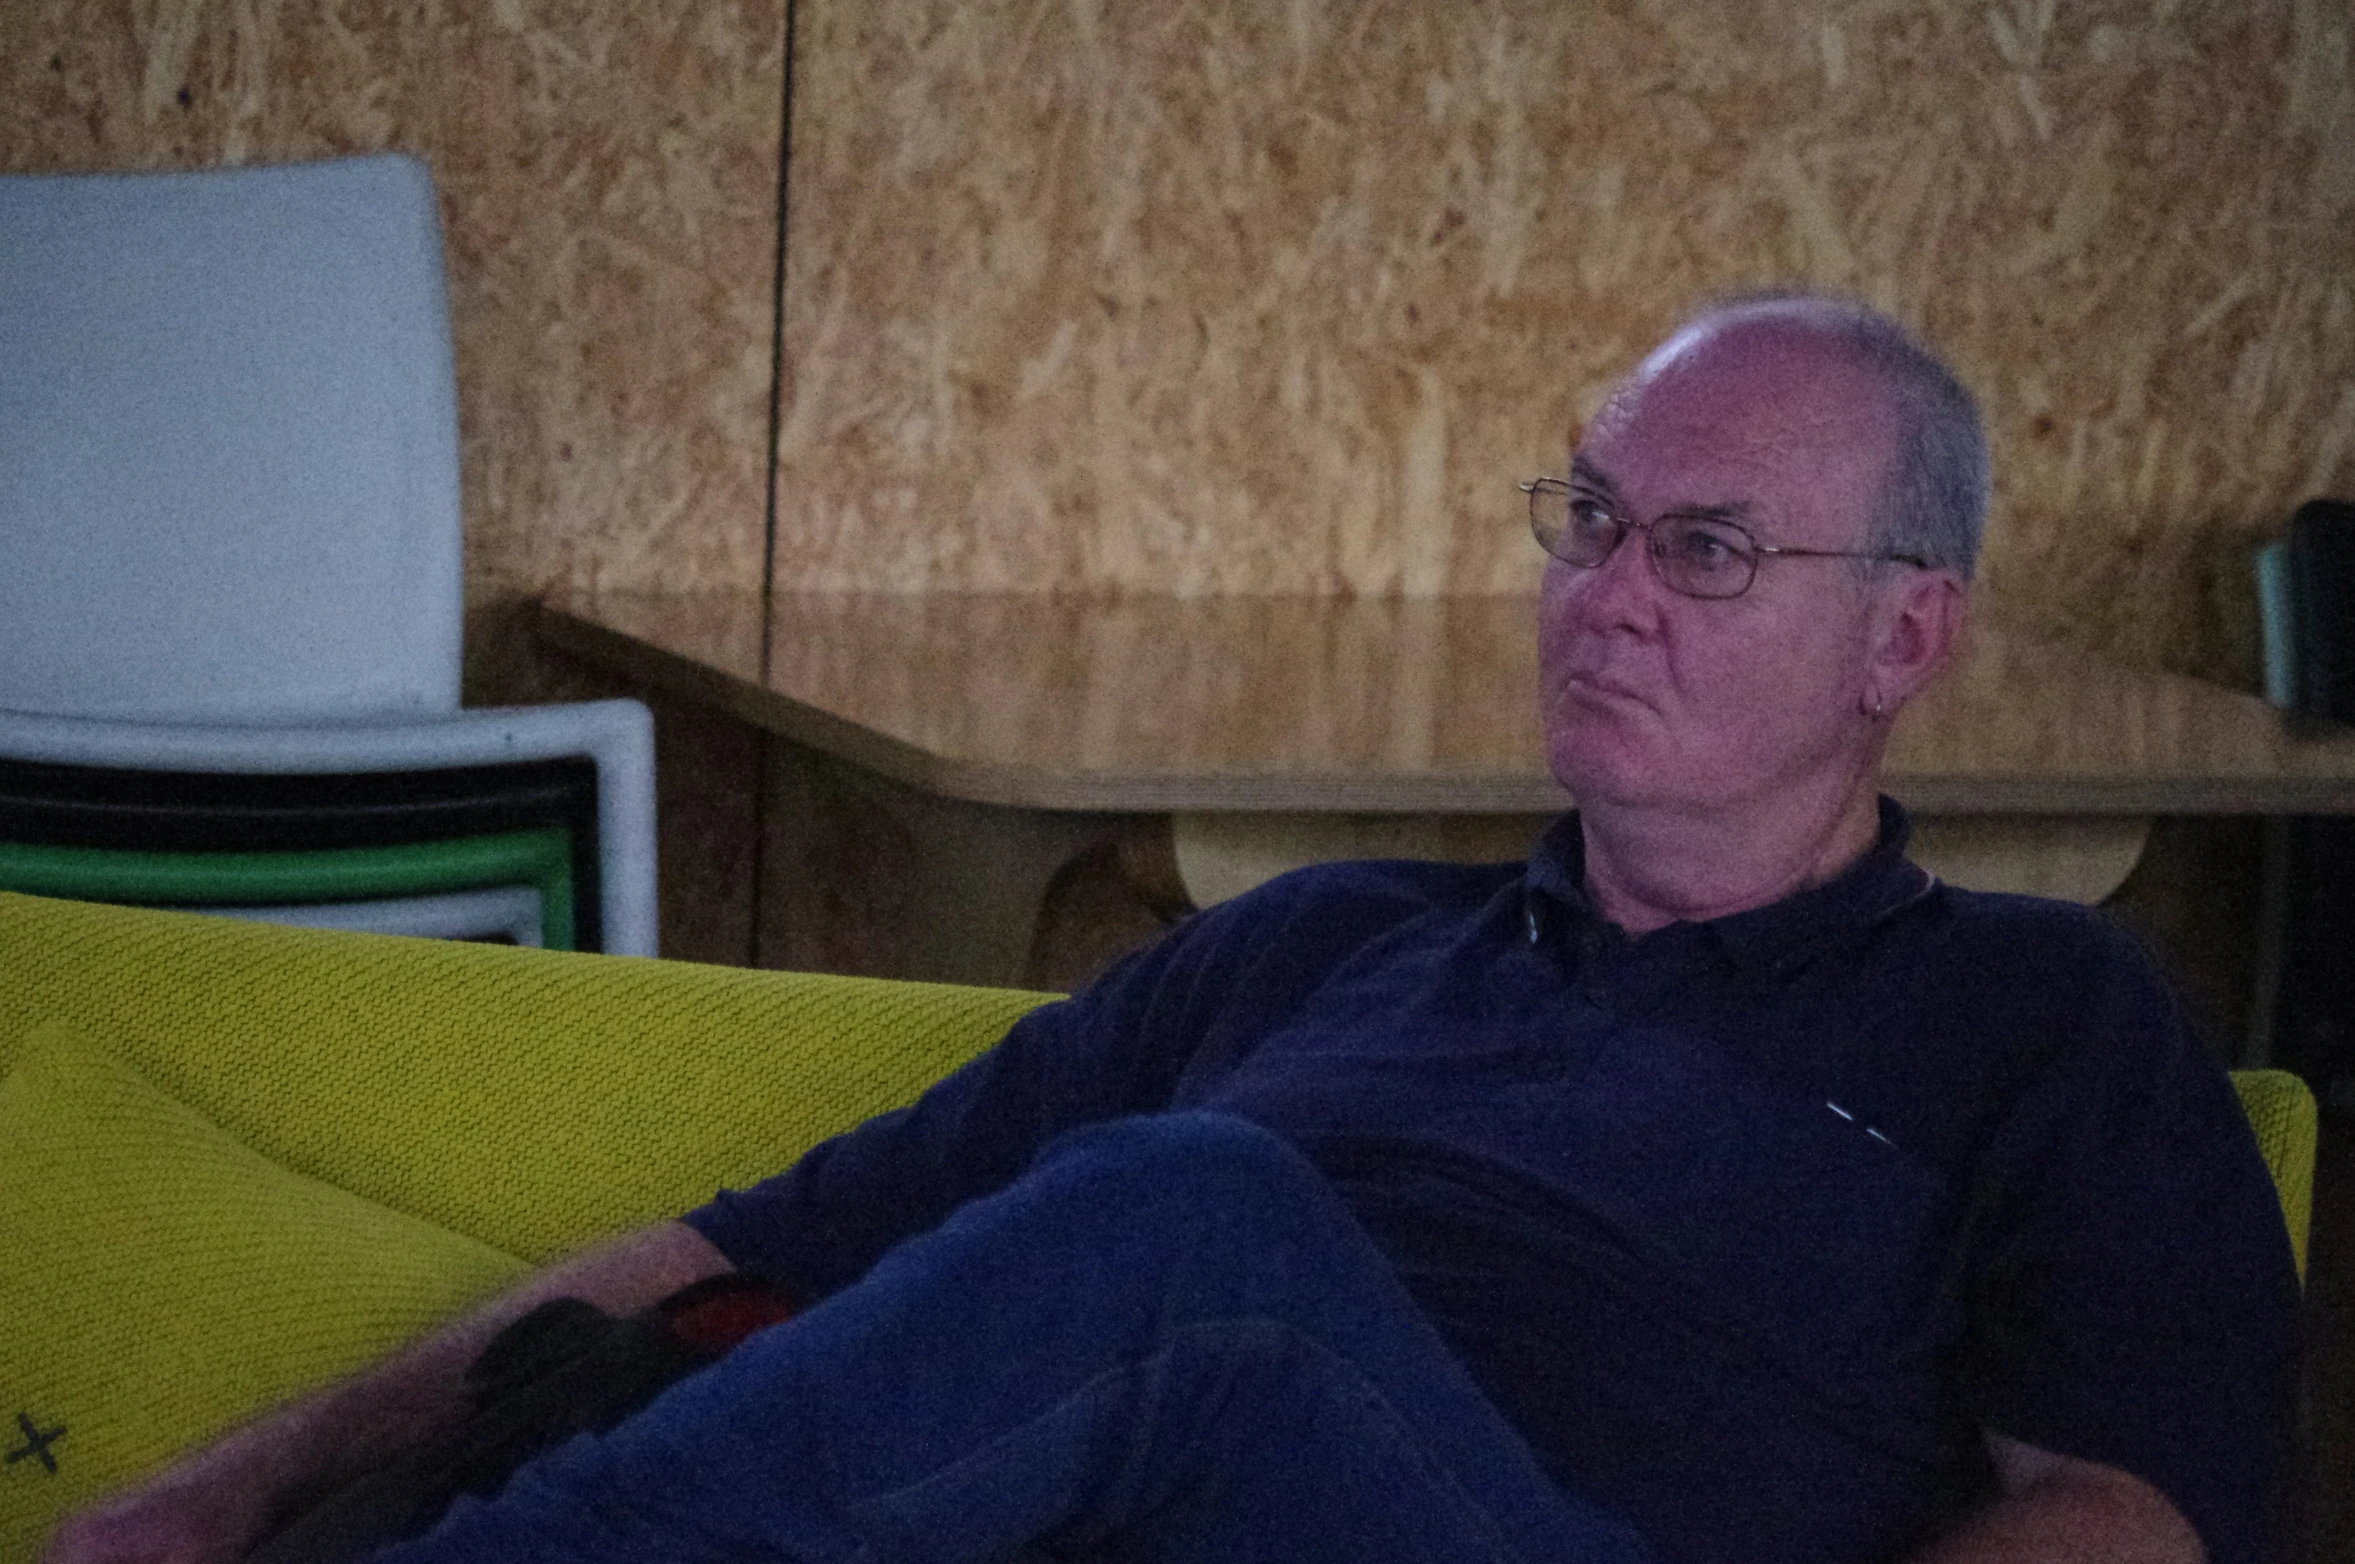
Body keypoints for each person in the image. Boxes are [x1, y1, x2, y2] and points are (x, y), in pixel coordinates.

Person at [44, 295, 2298, 1564]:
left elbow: (2130, 1505)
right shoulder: (1318, 946)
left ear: (1909, 632)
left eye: (1705, 550)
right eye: (1587, 518)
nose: (1601, 594)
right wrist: (204, 1492)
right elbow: (721, 1256)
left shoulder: (2039, 1009)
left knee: (1202, 1228)